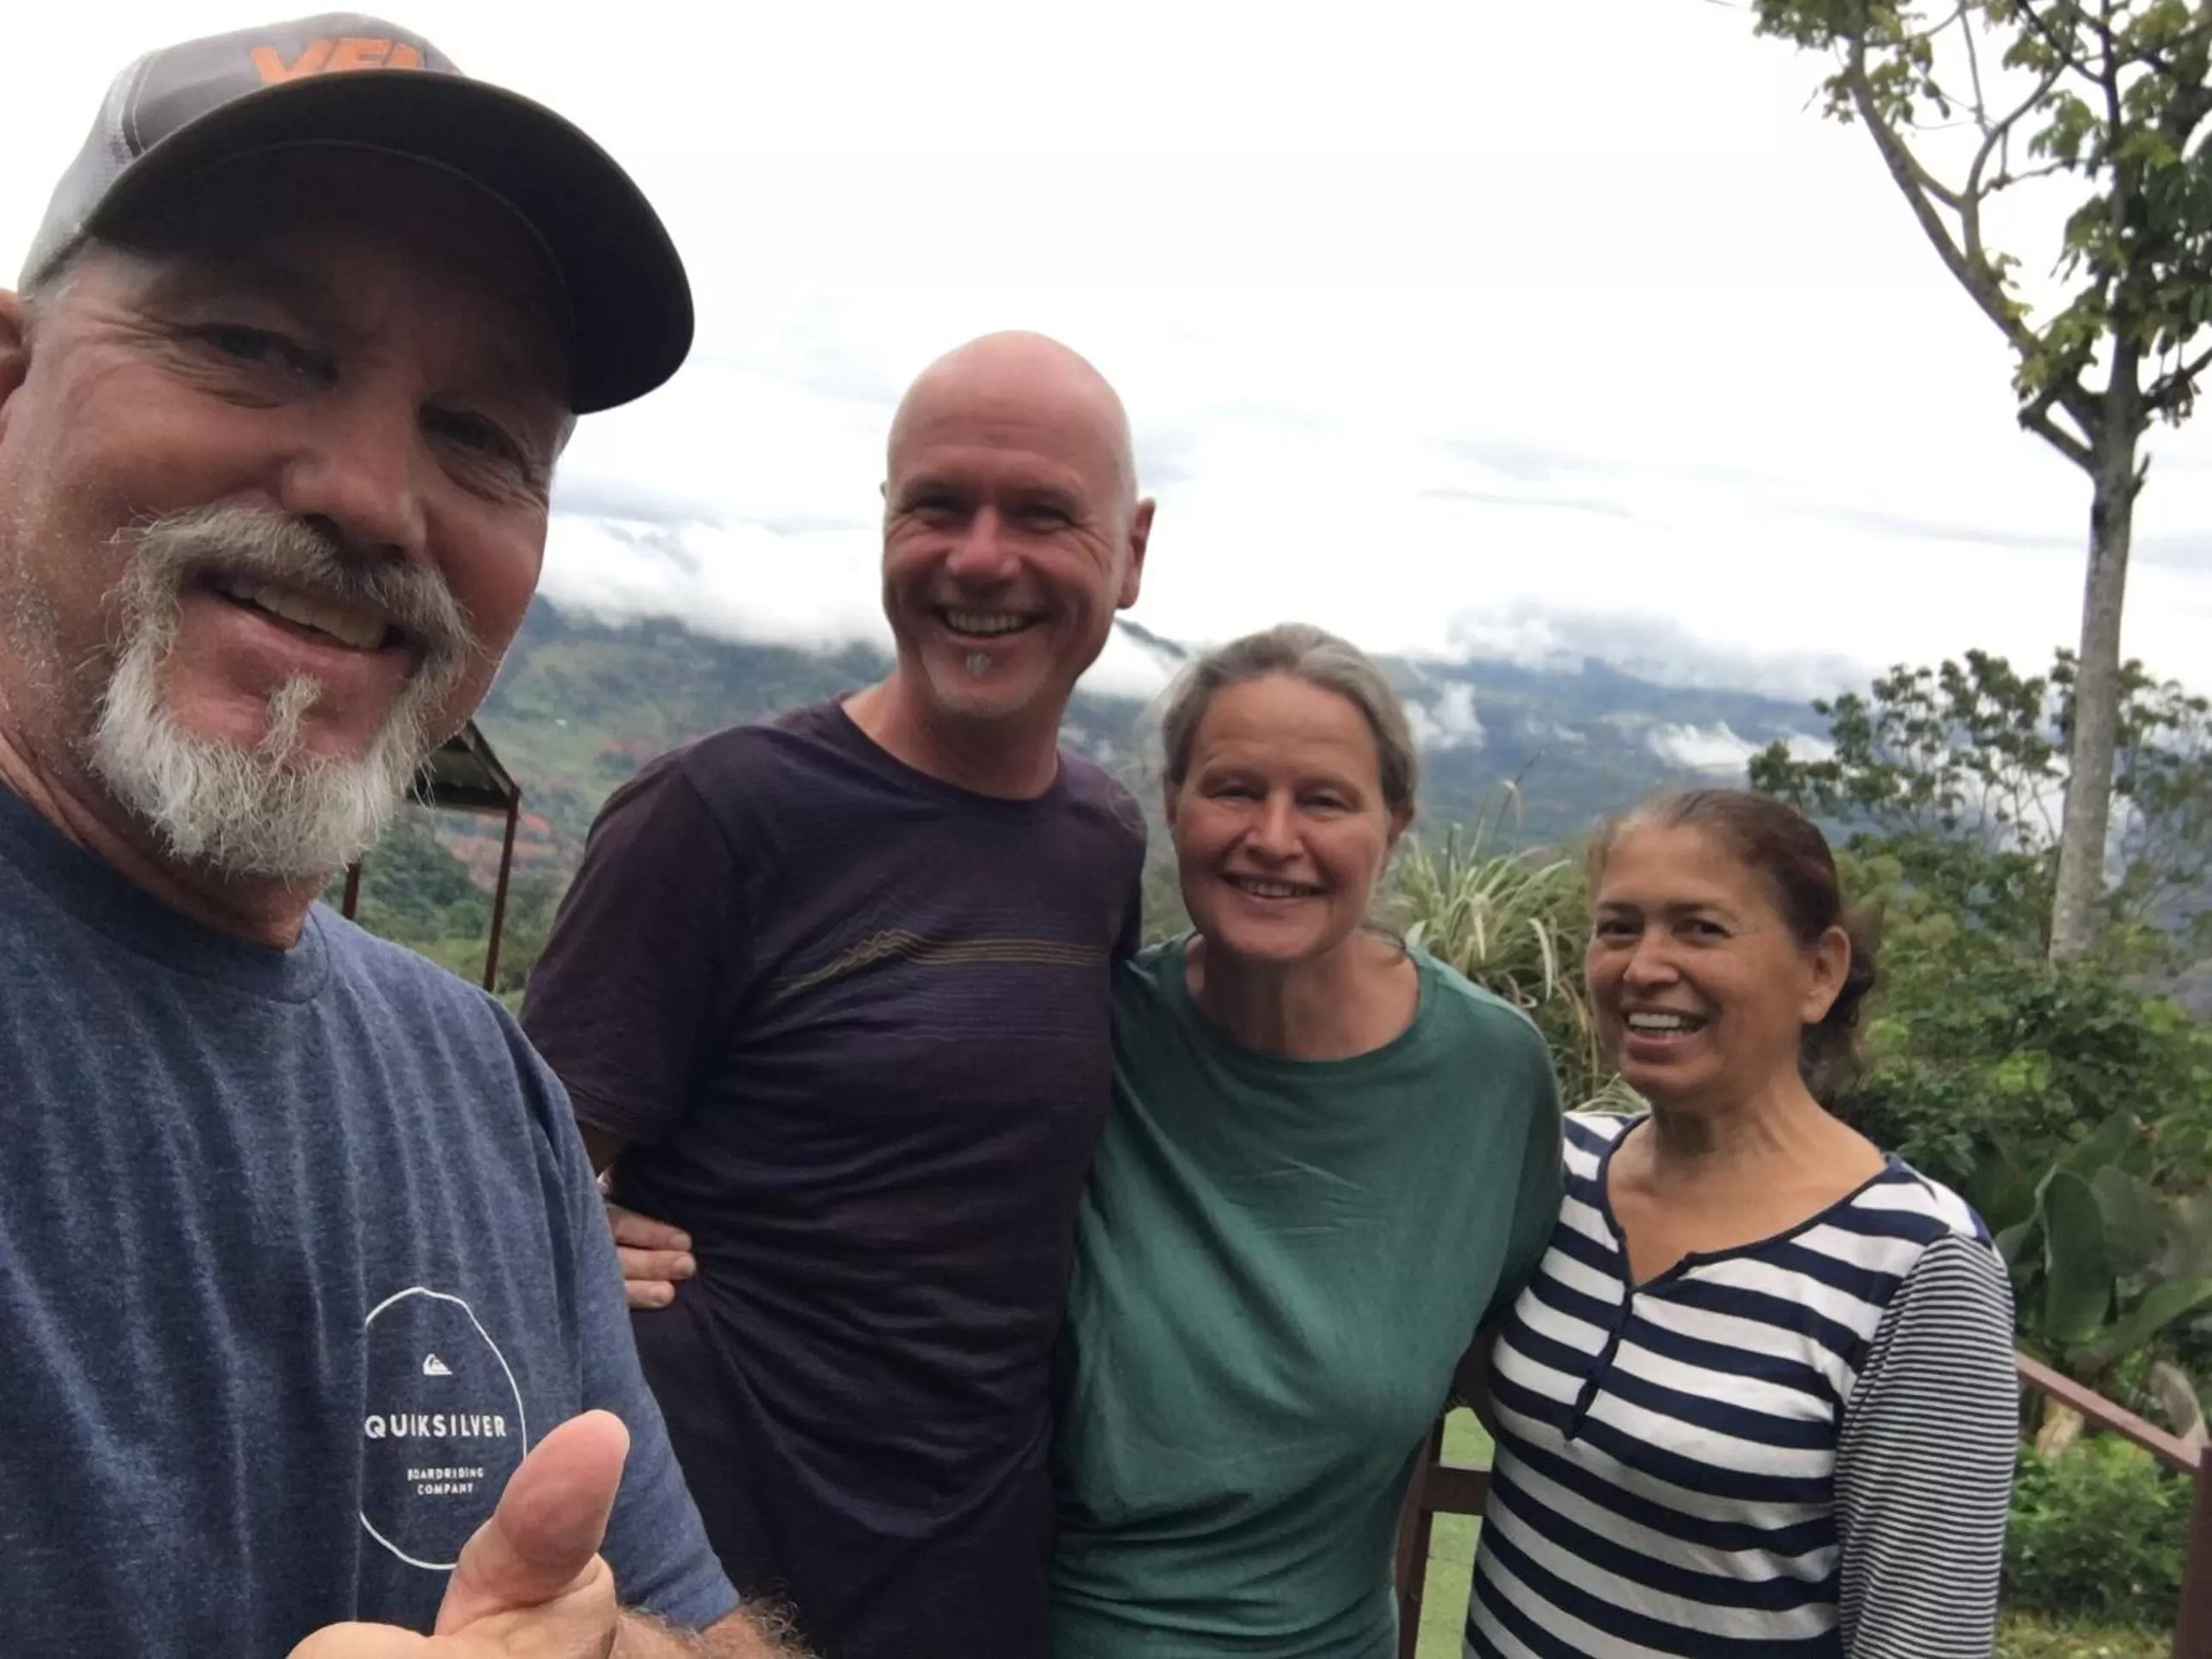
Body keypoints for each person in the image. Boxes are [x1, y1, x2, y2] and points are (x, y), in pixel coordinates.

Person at [0, 15, 803, 1656]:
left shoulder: (479, 1084)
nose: (374, 493)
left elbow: (670, 1616)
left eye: (480, 434)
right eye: (254, 341)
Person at [520, 331, 1156, 1656]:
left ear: (1132, 550)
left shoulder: (1101, 842)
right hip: (707, 1573)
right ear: (886, 526)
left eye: (1045, 514)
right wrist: (573, 1234)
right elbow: (512, 1199)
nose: (982, 558)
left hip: (974, 1565)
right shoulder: (718, 816)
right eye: (938, 505)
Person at [1048, 623, 1565, 1658]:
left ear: (1394, 825)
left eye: (1323, 800)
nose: (1273, 838)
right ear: (1174, 805)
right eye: (1234, 789)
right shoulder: (1085, 1031)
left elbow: (1507, 1349)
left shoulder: (1487, 1079)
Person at [1465, 788, 2019, 1658]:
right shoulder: (1554, 1170)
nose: (1643, 966)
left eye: (1699, 928)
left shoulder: (1916, 1264)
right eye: (1617, 927)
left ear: (1818, 973)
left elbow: (1925, 1637)